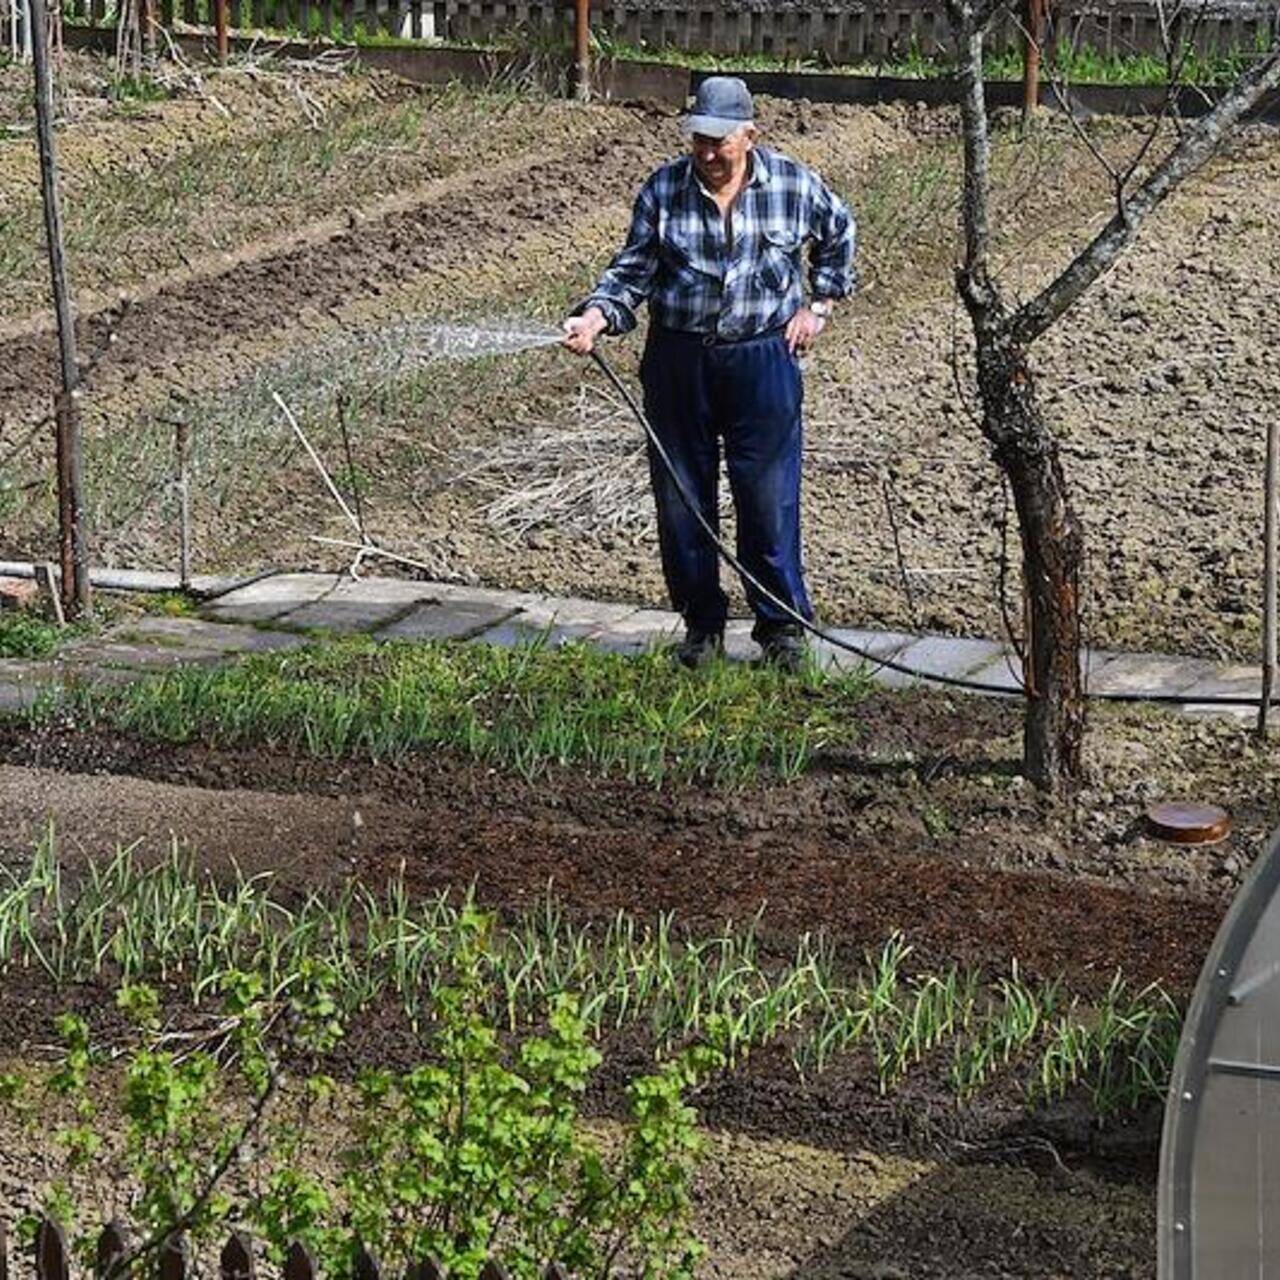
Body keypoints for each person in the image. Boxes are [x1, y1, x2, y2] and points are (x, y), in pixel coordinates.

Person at [563, 75, 856, 672]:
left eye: (721, 141)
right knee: (682, 498)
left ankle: (781, 630)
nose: (709, 153)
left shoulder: (794, 186)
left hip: (761, 359)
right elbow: (633, 271)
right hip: (679, 359)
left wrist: (817, 307)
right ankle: (702, 627)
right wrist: (595, 317)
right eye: (699, 140)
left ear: (750, 134)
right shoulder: (664, 190)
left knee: (768, 496)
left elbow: (839, 235)